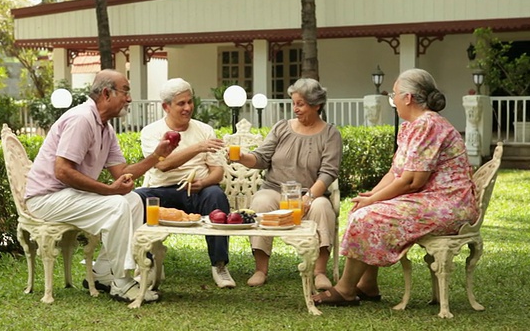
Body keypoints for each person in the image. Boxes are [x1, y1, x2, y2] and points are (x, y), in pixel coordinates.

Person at [313, 68, 479, 306]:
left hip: (448, 204)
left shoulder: (428, 124)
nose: (393, 100)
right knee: (365, 210)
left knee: (368, 216)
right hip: (430, 199)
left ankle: (346, 289)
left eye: (395, 94)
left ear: (408, 98)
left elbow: (413, 180)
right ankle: (367, 285)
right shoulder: (412, 126)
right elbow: (396, 172)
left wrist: (373, 201)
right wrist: (372, 195)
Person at [24, 69, 175, 303]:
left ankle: (103, 273)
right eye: (125, 91)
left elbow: (122, 174)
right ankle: (122, 283)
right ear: (106, 93)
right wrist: (109, 191)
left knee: (133, 200)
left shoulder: (105, 127)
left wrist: (157, 155)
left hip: (69, 195)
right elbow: (62, 171)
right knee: (116, 205)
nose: (129, 98)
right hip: (46, 198)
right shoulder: (81, 119)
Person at [233, 78, 342, 289]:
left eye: (300, 104)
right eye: (294, 103)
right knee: (261, 202)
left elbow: (328, 172)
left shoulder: (330, 134)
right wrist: (241, 157)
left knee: (322, 208)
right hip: (275, 190)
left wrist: (308, 197)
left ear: (316, 104)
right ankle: (260, 269)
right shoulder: (282, 128)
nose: (295, 109)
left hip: (311, 193)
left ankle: (319, 271)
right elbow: (261, 158)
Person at [134, 78, 236, 288]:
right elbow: (163, 165)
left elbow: (217, 172)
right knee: (137, 198)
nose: (188, 108)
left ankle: (219, 265)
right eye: (181, 103)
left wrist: (204, 182)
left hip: (197, 191)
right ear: (166, 107)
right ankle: (146, 264)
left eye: (190, 102)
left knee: (215, 194)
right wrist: (198, 148)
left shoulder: (204, 130)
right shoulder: (151, 132)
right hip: (162, 191)